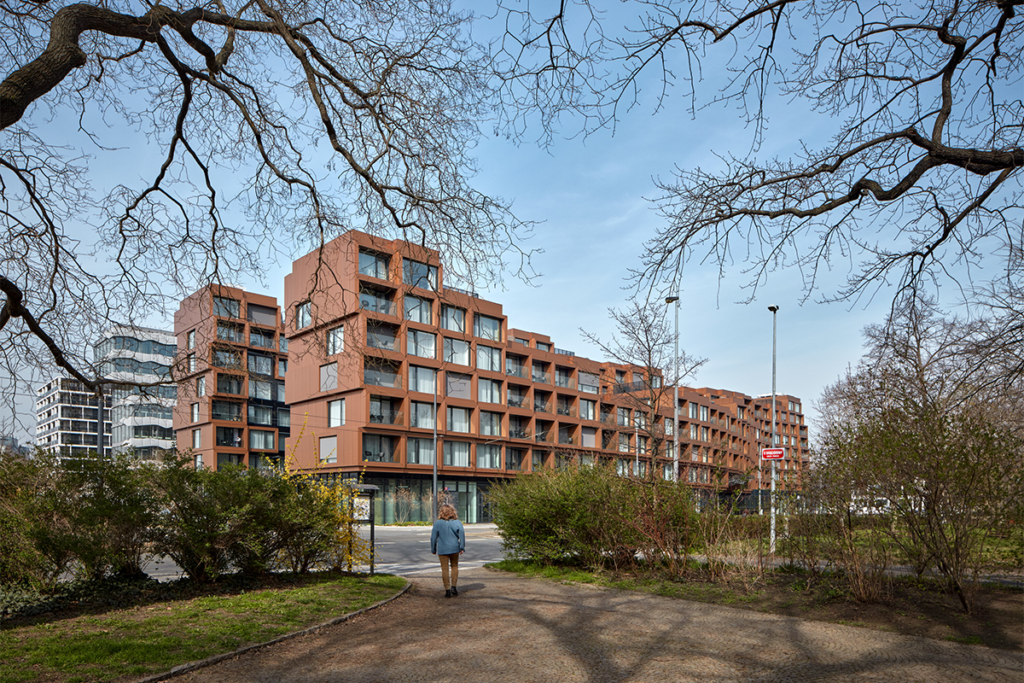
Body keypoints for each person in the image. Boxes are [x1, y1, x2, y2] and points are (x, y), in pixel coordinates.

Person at [430, 503, 465, 598]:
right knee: (454, 566)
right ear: (453, 512)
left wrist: (433, 549)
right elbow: (462, 535)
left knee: (444, 569)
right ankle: (454, 587)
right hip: (454, 548)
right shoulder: (457, 522)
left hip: (443, 549)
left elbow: (433, 538)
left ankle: (447, 590)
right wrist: (462, 547)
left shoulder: (438, 523)